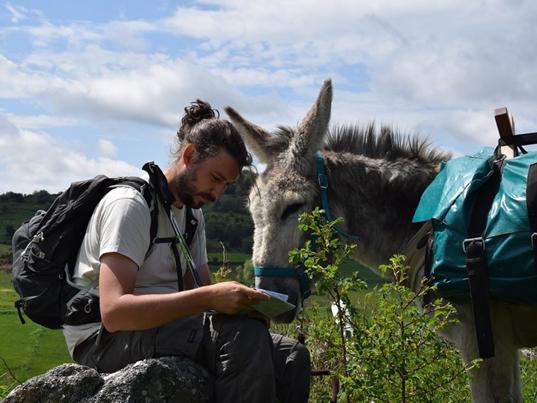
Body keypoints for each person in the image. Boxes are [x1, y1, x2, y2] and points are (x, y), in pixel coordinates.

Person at [62, 100, 311, 402]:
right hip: (103, 339)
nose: (218, 193)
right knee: (243, 337)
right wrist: (211, 298)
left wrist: (244, 305)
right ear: (189, 155)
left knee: (290, 356)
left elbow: (202, 298)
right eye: (216, 178)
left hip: (163, 329)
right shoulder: (131, 206)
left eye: (227, 185)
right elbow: (114, 312)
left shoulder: (192, 215)